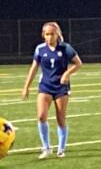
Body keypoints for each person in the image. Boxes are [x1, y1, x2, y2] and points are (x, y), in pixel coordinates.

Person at [21, 22, 83, 158]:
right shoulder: (40, 49)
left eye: (52, 34)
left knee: (60, 118)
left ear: (57, 34)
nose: (49, 37)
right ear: (43, 35)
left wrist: (67, 74)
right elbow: (33, 68)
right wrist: (26, 87)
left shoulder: (65, 48)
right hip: (45, 86)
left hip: (61, 87)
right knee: (41, 116)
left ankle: (61, 149)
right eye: (47, 34)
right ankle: (46, 147)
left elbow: (78, 63)